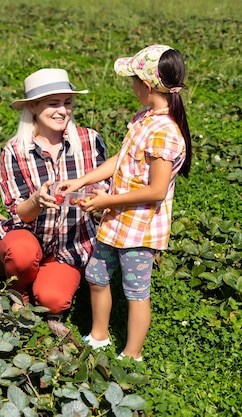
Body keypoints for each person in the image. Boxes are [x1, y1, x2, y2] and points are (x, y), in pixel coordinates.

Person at [57, 45, 192, 361]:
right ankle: (99, 334)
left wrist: (108, 200)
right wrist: (83, 181)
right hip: (116, 220)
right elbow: (122, 159)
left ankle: (132, 354)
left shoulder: (165, 133)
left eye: (133, 80)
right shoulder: (144, 118)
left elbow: (156, 191)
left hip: (139, 230)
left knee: (135, 293)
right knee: (96, 276)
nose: (131, 87)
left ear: (146, 86)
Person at [0, 68, 107, 317]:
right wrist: (36, 200)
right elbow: (19, 213)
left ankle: (43, 282)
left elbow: (105, 185)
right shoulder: (15, 151)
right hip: (29, 235)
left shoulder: (89, 141)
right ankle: (20, 290)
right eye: (53, 103)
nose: (62, 111)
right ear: (33, 107)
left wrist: (97, 199)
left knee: (52, 301)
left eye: (67, 103)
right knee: (22, 255)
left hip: (70, 245)